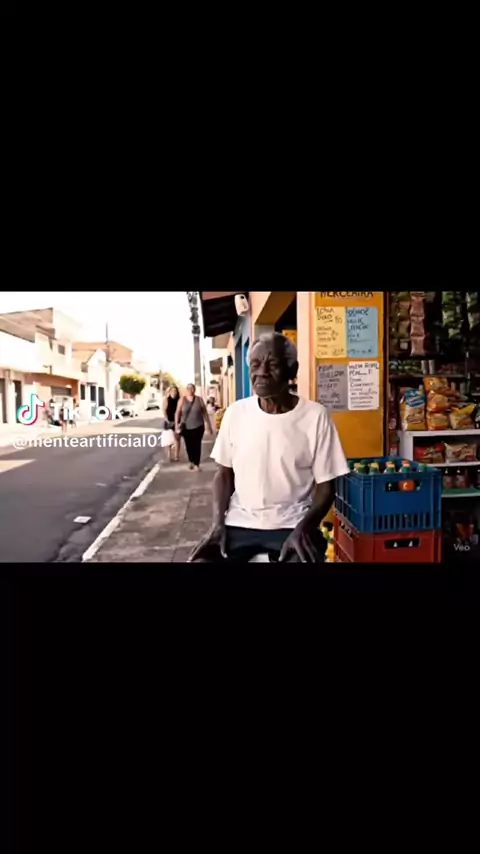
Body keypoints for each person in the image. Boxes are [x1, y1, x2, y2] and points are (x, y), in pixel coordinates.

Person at [189, 332, 350, 564]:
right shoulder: (235, 413)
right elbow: (223, 474)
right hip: (239, 523)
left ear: (292, 370)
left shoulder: (315, 416)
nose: (262, 372)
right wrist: (217, 524)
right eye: (255, 365)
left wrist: (304, 528)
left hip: (292, 524)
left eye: (272, 364)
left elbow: (326, 487)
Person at [175, 383, 213, 471]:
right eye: (188, 388)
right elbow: (178, 412)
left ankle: (196, 463)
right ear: (186, 390)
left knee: (197, 445)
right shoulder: (182, 400)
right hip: (186, 427)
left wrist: (209, 425)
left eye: (192, 388)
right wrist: (177, 424)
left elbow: (205, 413)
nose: (190, 390)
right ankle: (191, 461)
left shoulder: (199, 399)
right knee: (189, 445)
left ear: (194, 390)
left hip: (198, 426)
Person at [163, 385, 181, 462]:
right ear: (169, 392)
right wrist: (167, 420)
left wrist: (180, 421)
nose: (174, 392)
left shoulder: (179, 400)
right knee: (168, 439)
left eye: (175, 391)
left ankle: (176, 456)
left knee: (177, 438)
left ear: (177, 392)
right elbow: (164, 410)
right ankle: (169, 456)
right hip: (169, 421)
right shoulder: (167, 400)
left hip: (177, 421)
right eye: (172, 391)